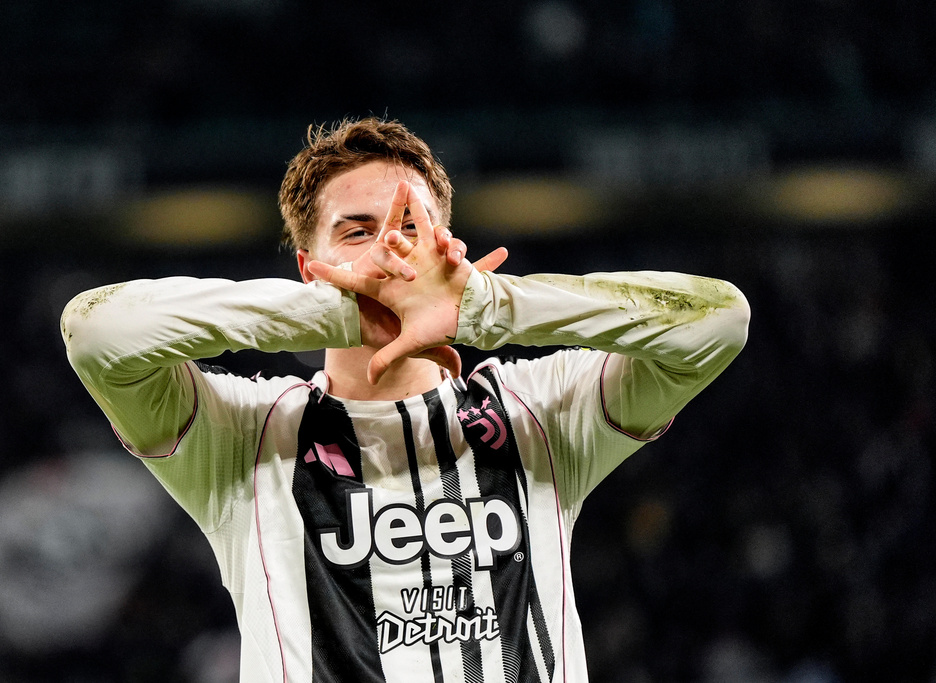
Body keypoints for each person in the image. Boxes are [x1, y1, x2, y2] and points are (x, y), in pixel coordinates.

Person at [61, 117, 750, 683]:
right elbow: (97, 331)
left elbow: (718, 321)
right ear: (310, 268)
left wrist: (487, 307)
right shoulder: (245, 434)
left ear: (446, 248)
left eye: (411, 228)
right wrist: (339, 314)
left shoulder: (537, 411)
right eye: (356, 232)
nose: (388, 250)